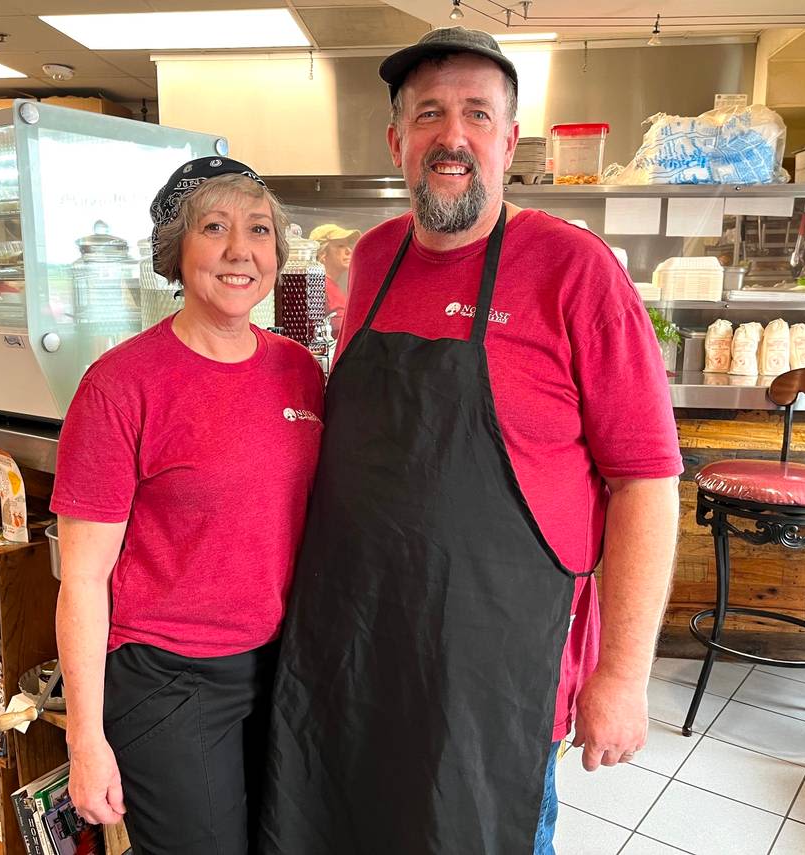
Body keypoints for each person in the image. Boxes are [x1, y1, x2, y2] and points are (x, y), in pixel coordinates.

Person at [260, 27, 681, 855]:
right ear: (398, 140)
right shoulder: (374, 256)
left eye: (477, 115)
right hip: (360, 648)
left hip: (494, 672)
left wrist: (623, 676)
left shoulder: (575, 269)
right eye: (430, 115)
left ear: (509, 140)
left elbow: (646, 482)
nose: (452, 136)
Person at [51, 157, 324, 855]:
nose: (241, 249)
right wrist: (86, 740)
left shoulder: (300, 370)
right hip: (169, 680)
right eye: (215, 227)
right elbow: (81, 577)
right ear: (177, 252)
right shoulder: (121, 385)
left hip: (284, 669)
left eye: (258, 229)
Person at [308, 223, 361, 335]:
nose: (349, 251)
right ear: (322, 254)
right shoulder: (318, 287)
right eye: (340, 246)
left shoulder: (331, 286)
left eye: (348, 245)